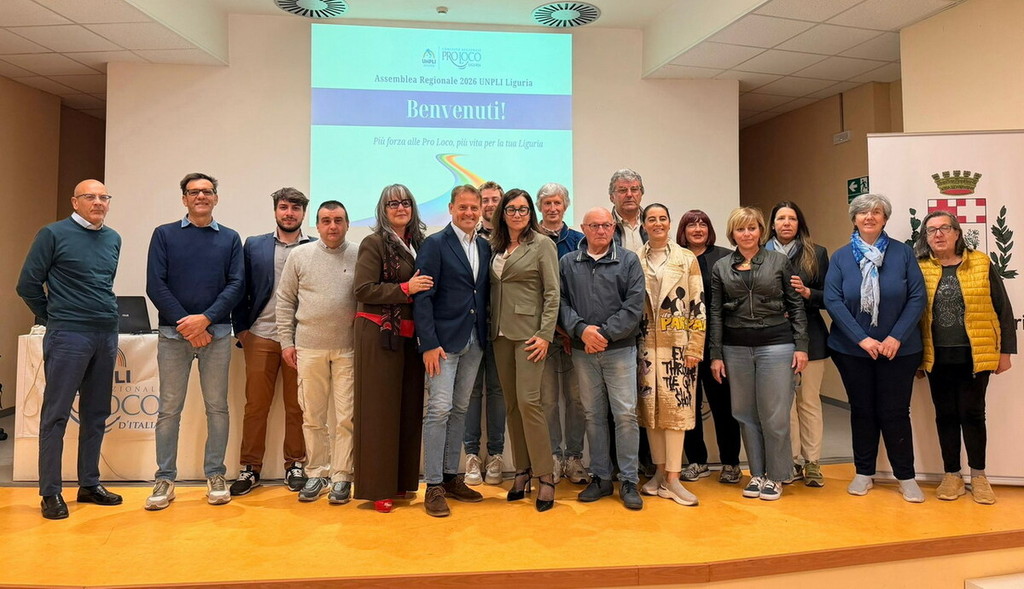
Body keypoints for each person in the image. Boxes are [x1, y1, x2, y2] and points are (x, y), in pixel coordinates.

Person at [17, 179, 123, 519]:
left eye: (103, 197)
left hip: (105, 333)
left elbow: (102, 283)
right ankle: (50, 492)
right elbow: (27, 284)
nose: (98, 202)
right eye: (90, 197)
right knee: (56, 414)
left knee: (96, 413)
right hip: (68, 335)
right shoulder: (52, 234)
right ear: (75, 202)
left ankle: (89, 484)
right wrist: (55, 316)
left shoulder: (113, 238)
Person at [145, 172, 244, 510]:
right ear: (184, 198)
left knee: (217, 407)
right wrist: (189, 326)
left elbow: (236, 285)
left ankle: (215, 474)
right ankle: (164, 478)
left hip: (217, 335)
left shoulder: (230, 238)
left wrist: (205, 320)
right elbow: (155, 285)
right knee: (169, 410)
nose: (201, 196)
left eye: (207, 191)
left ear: (216, 198)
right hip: (173, 337)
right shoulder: (164, 235)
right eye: (193, 192)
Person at [824, 193, 926, 503]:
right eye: (863, 212)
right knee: (862, 411)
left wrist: (896, 337)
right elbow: (833, 300)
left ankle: (906, 476)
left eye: (876, 212)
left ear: (885, 218)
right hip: (853, 350)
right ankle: (864, 472)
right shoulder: (841, 257)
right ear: (854, 219)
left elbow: (917, 297)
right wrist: (862, 339)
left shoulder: (903, 253)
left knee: (895, 412)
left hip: (900, 350)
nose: (869, 217)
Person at [914, 210, 1016, 504]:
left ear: (957, 233)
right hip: (936, 356)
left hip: (975, 355)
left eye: (944, 228)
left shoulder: (981, 263)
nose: (938, 234)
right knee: (945, 415)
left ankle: (979, 476)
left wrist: (1005, 352)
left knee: (972, 414)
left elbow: (1003, 309)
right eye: (931, 230)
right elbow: (913, 314)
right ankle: (952, 475)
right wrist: (915, 359)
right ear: (926, 237)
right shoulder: (920, 268)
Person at [709, 207, 808, 501]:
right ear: (732, 233)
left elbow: (796, 305)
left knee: (774, 414)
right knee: (744, 413)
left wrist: (801, 346)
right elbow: (715, 313)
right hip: (736, 347)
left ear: (761, 231)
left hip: (776, 344)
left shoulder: (779, 261)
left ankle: (777, 475)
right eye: (740, 229)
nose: (747, 234)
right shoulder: (721, 267)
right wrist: (716, 354)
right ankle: (757, 474)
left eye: (752, 228)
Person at [560, 208, 646, 510]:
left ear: (613, 228)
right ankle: (601, 477)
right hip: (583, 351)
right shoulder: (568, 262)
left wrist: (604, 334)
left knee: (625, 415)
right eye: (594, 226)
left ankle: (629, 480)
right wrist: (582, 330)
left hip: (619, 349)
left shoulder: (629, 260)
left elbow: (634, 306)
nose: (600, 230)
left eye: (606, 225)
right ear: (583, 228)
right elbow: (561, 303)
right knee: (593, 415)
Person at [229, 187, 313, 496]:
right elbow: (240, 287)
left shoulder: (314, 247)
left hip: (300, 340)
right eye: (284, 207)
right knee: (256, 406)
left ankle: (295, 464)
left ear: (303, 213)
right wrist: (242, 329)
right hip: (261, 335)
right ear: (276, 210)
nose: (289, 213)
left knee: (297, 406)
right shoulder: (254, 245)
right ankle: (250, 468)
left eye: (295, 208)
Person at [353, 184, 432, 505]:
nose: (400, 208)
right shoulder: (373, 243)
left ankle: (400, 482)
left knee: (408, 409)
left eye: (405, 203)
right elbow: (363, 289)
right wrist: (406, 288)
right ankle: (377, 489)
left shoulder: (420, 244)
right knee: (379, 412)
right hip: (378, 334)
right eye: (393, 204)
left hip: (411, 335)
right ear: (383, 210)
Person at [413, 184, 490, 517]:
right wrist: (428, 344)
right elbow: (423, 297)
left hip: (475, 341)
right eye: (463, 207)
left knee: (459, 409)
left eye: (474, 207)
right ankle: (432, 485)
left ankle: (450, 476)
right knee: (439, 410)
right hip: (442, 345)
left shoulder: (484, 246)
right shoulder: (435, 244)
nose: (469, 213)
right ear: (451, 208)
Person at [276, 200, 358, 504]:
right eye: (326, 221)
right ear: (317, 225)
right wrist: (287, 343)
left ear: (347, 223)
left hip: (349, 349)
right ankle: (316, 473)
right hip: (309, 348)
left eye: (338, 220)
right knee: (312, 416)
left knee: (346, 417)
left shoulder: (361, 254)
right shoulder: (299, 256)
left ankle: (342, 476)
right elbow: (285, 301)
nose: (332, 226)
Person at [489, 188, 560, 512]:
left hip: (530, 335)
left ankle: (546, 475)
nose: (517, 214)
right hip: (500, 334)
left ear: (531, 213)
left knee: (530, 402)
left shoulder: (542, 244)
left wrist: (545, 334)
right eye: (511, 209)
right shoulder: (495, 245)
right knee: (513, 406)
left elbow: (552, 293)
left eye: (523, 209)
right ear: (502, 213)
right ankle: (522, 470)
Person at [636, 204, 704, 506]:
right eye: (652, 219)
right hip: (645, 347)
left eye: (662, 218)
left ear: (669, 222)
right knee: (651, 412)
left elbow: (698, 305)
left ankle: (674, 478)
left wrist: (695, 346)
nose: (657, 223)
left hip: (679, 347)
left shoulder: (686, 258)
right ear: (644, 225)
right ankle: (660, 473)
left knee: (676, 413)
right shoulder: (635, 259)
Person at [765, 201, 830, 488]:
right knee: (784, 405)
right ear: (773, 224)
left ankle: (812, 461)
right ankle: (789, 460)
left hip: (811, 338)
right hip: (774, 338)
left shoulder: (817, 253)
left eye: (792, 218)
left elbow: (830, 297)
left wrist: (807, 293)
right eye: (781, 218)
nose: (786, 223)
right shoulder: (760, 253)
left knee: (809, 402)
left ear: (799, 223)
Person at [676, 210, 743, 484]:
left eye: (702, 223)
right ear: (683, 230)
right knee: (688, 405)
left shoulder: (726, 258)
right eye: (691, 224)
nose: (697, 228)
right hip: (683, 345)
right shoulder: (676, 258)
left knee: (723, 406)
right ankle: (697, 461)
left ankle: (731, 463)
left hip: (718, 344)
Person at [536, 182, 588, 485]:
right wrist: (551, 327)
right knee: (547, 400)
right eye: (547, 203)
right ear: (540, 207)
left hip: (574, 335)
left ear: (565, 206)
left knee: (577, 399)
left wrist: (571, 329)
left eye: (557, 203)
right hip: (542, 335)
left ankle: (574, 458)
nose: (553, 208)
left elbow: (583, 291)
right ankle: (553, 457)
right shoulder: (530, 240)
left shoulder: (580, 242)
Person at [463, 180, 507, 486]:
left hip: (503, 328)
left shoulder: (511, 237)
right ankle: (471, 455)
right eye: (485, 200)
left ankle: (496, 454)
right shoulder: (469, 238)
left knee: (497, 391)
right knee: (471, 391)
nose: (490, 205)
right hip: (472, 326)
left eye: (495, 200)